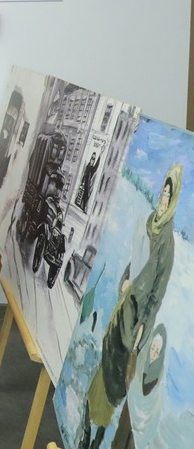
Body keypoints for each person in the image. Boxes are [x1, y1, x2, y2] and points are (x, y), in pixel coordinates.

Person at [81, 164, 179, 449]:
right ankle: (87, 427)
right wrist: (125, 280)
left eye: (168, 196)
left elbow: (157, 294)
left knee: (115, 382)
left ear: (173, 201)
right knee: (104, 365)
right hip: (122, 310)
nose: (163, 200)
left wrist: (143, 329)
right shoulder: (148, 223)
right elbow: (134, 262)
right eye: (162, 193)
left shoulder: (168, 244)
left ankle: (99, 436)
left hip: (134, 322)